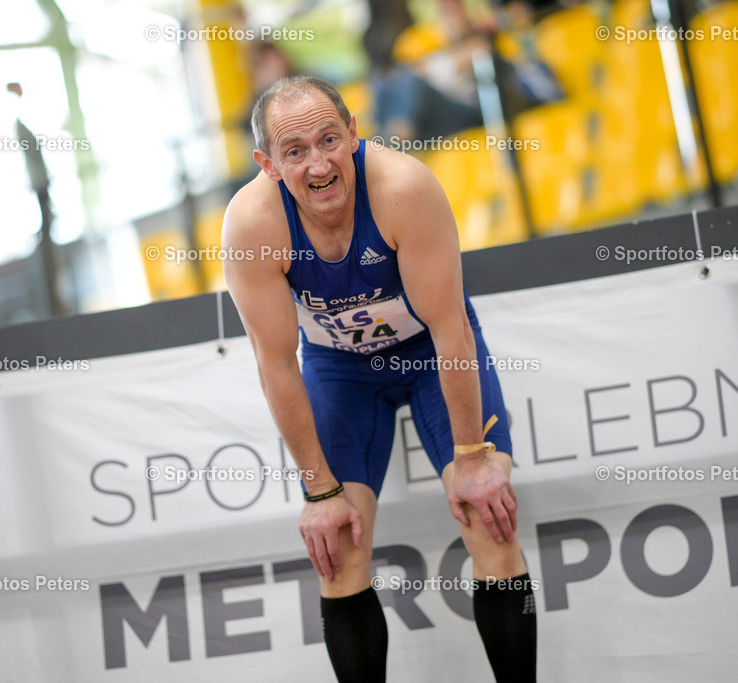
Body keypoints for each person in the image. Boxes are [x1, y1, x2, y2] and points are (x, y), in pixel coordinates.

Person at [221, 75, 537, 682]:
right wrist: (318, 492)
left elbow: (450, 331)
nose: (319, 164)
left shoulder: (403, 186)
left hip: (428, 354)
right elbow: (276, 363)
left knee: (490, 519)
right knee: (337, 549)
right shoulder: (252, 224)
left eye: (329, 140)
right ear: (267, 164)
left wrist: (472, 457)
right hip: (342, 371)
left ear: (354, 133)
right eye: (295, 152)